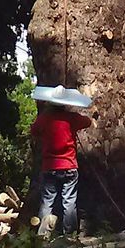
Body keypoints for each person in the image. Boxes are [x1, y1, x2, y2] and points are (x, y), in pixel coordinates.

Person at [30, 85, 93, 238]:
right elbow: (88, 122)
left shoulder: (44, 118)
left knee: (47, 201)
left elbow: (33, 130)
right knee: (69, 201)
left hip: (49, 166)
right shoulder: (71, 118)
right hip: (69, 166)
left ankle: (42, 234)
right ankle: (69, 235)